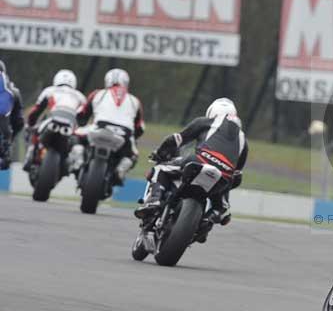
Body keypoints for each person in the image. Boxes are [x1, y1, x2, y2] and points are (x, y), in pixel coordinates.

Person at [134, 98, 247, 233]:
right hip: (222, 178)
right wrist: (225, 187)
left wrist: (159, 153)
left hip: (197, 162)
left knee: (160, 169)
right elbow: (237, 176)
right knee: (223, 197)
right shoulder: (243, 141)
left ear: (212, 112)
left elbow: (176, 139)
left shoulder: (205, 122)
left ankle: (154, 200)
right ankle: (212, 217)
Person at [76, 68, 144, 183]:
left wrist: (82, 123)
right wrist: (133, 137)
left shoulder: (97, 94)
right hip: (124, 134)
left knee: (75, 135)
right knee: (133, 155)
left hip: (100, 128)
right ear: (126, 82)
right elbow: (140, 127)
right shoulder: (135, 100)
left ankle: (77, 161)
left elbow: (82, 113)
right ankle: (120, 170)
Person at [24, 69, 86, 172]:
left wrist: (30, 124)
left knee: (35, 131)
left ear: (56, 80)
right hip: (70, 126)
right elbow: (83, 116)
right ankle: (76, 163)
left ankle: (30, 154)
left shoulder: (49, 90)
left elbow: (37, 110)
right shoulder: (80, 96)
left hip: (52, 120)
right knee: (78, 142)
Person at [0, 60, 24, 169]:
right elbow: (18, 121)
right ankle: (6, 151)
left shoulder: (10, 91)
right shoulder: (13, 90)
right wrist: (10, 139)